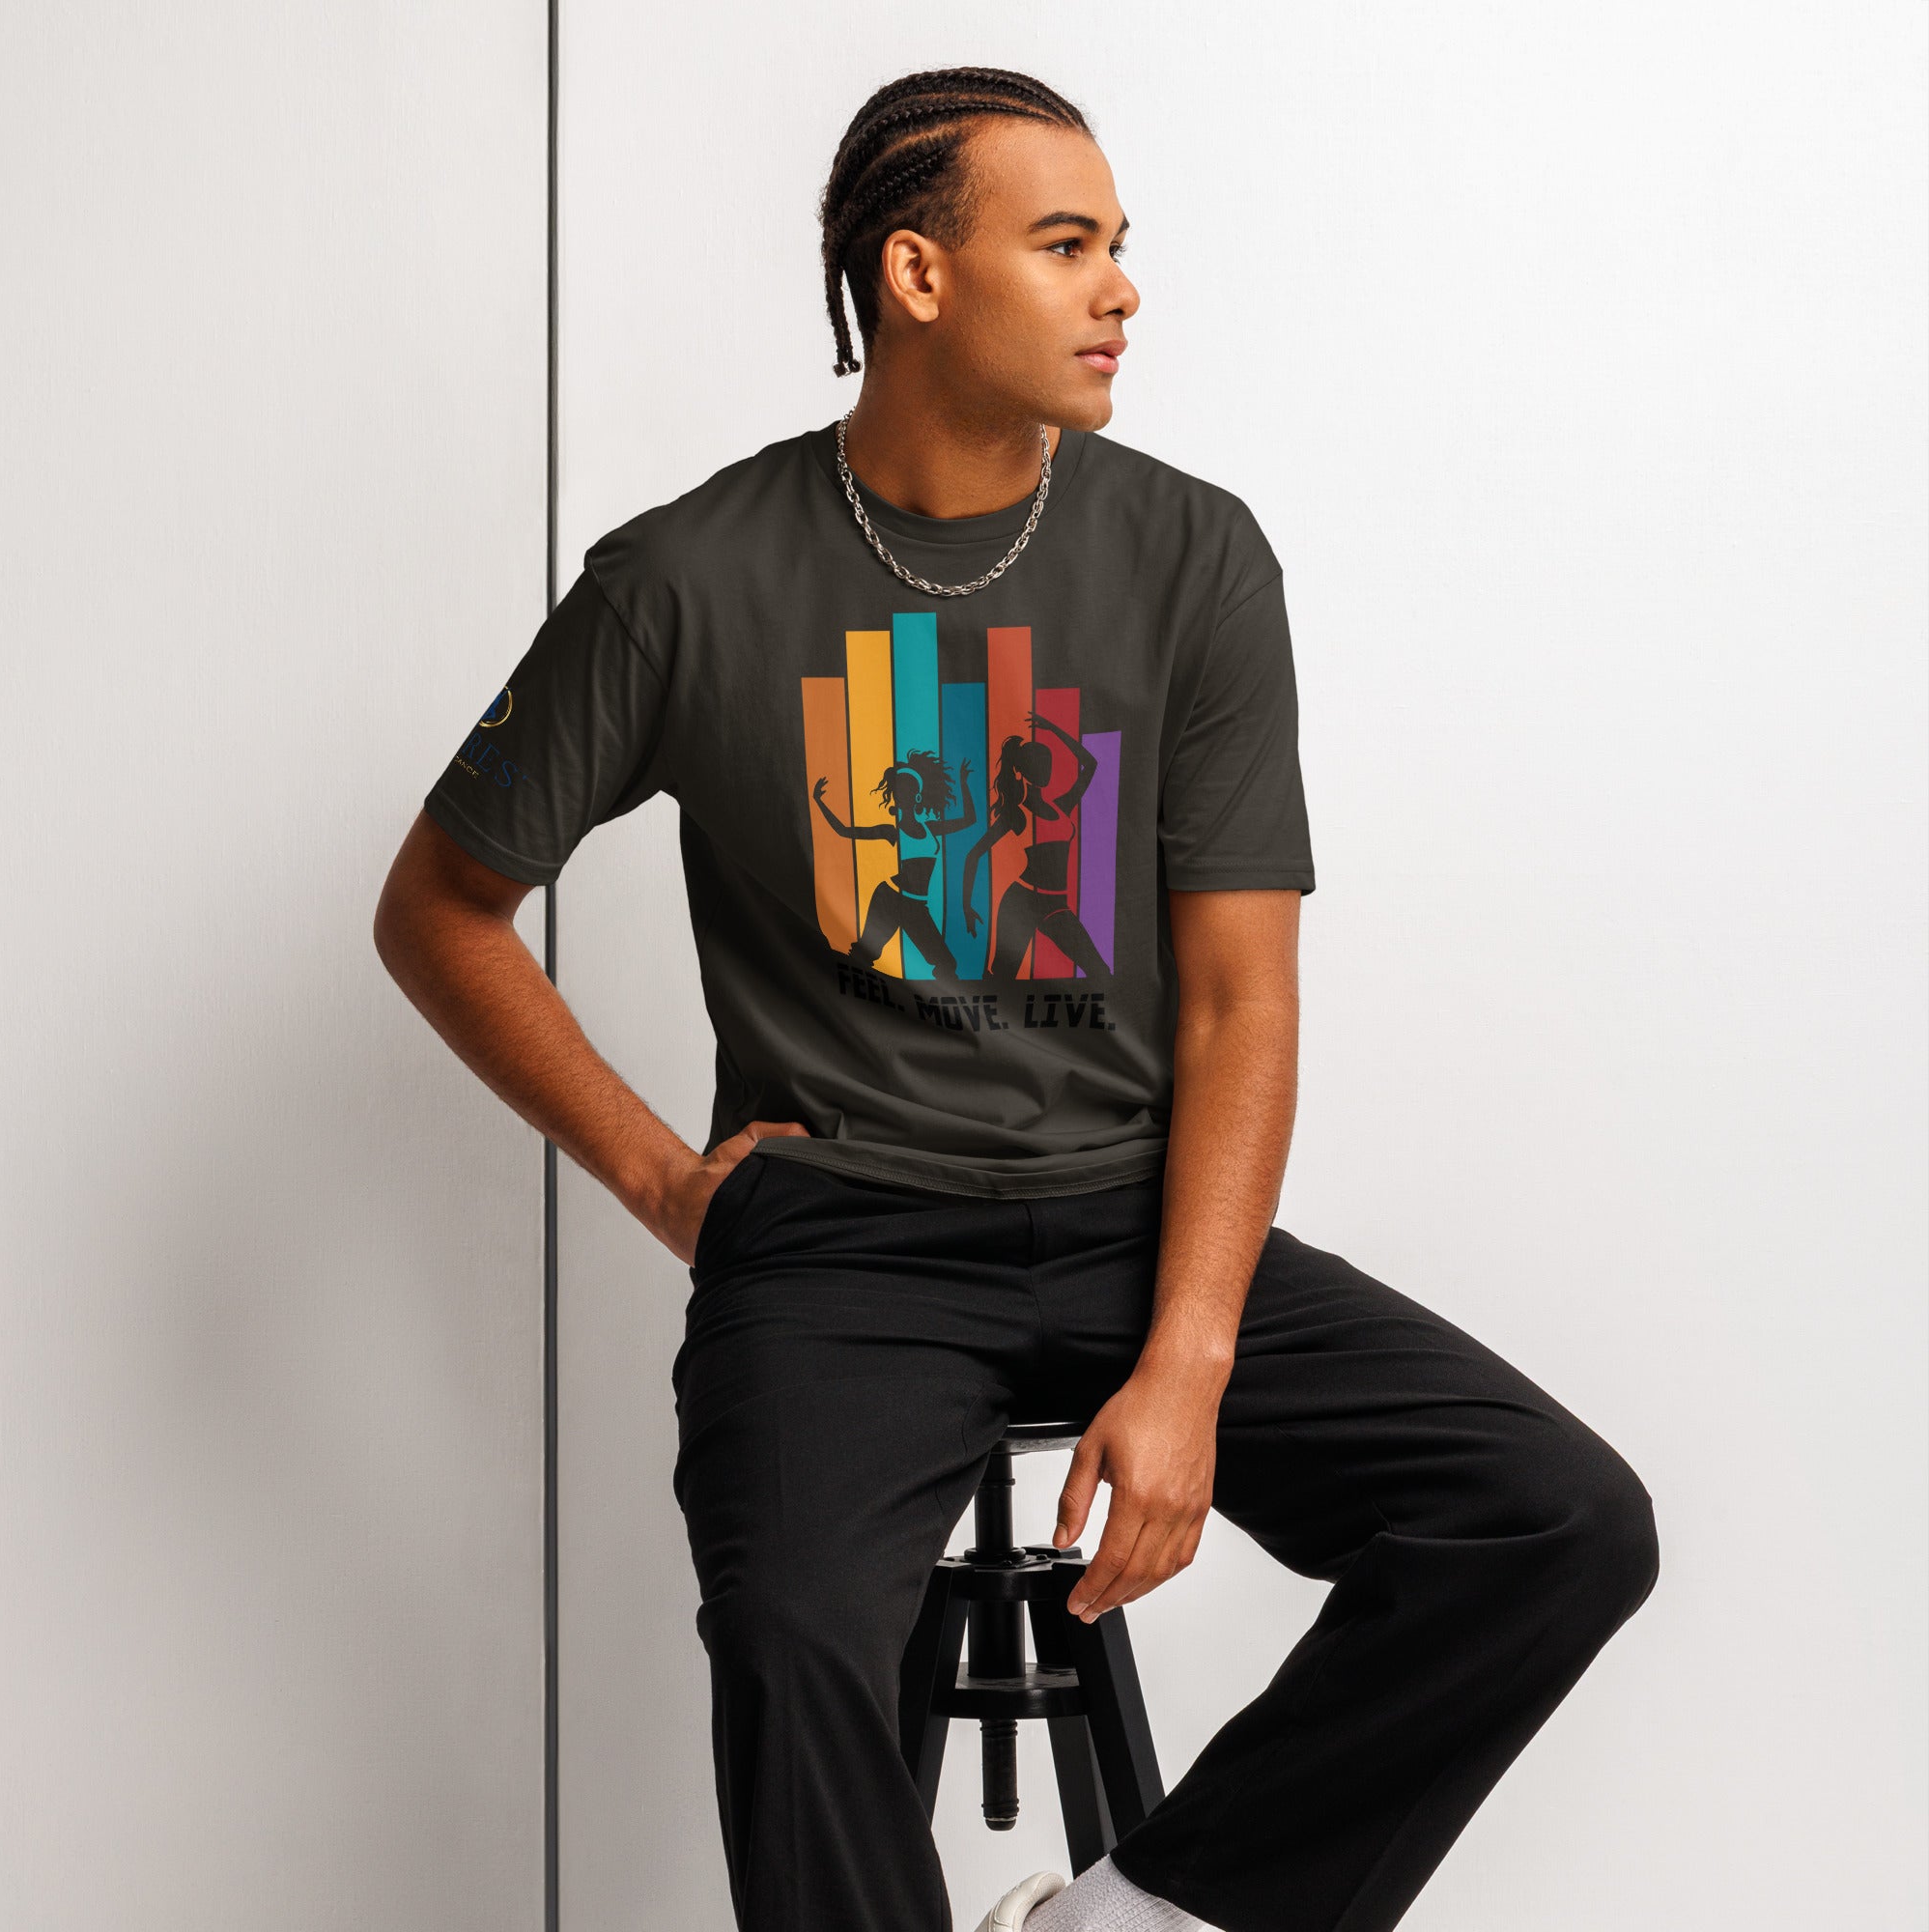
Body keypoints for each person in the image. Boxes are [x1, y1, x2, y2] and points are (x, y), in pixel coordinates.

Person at [373, 65, 1660, 1932]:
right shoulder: (684, 583)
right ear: (916, 275)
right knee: (797, 1635)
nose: (1122, 288)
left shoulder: (1193, 557)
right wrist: (664, 1182)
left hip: (1138, 1218)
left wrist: (1192, 1359)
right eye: (1066, 245)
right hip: (842, 1239)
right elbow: (442, 908)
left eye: (1118, 245)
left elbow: (1239, 1005)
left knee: (1556, 1519)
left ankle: (1140, 1924)